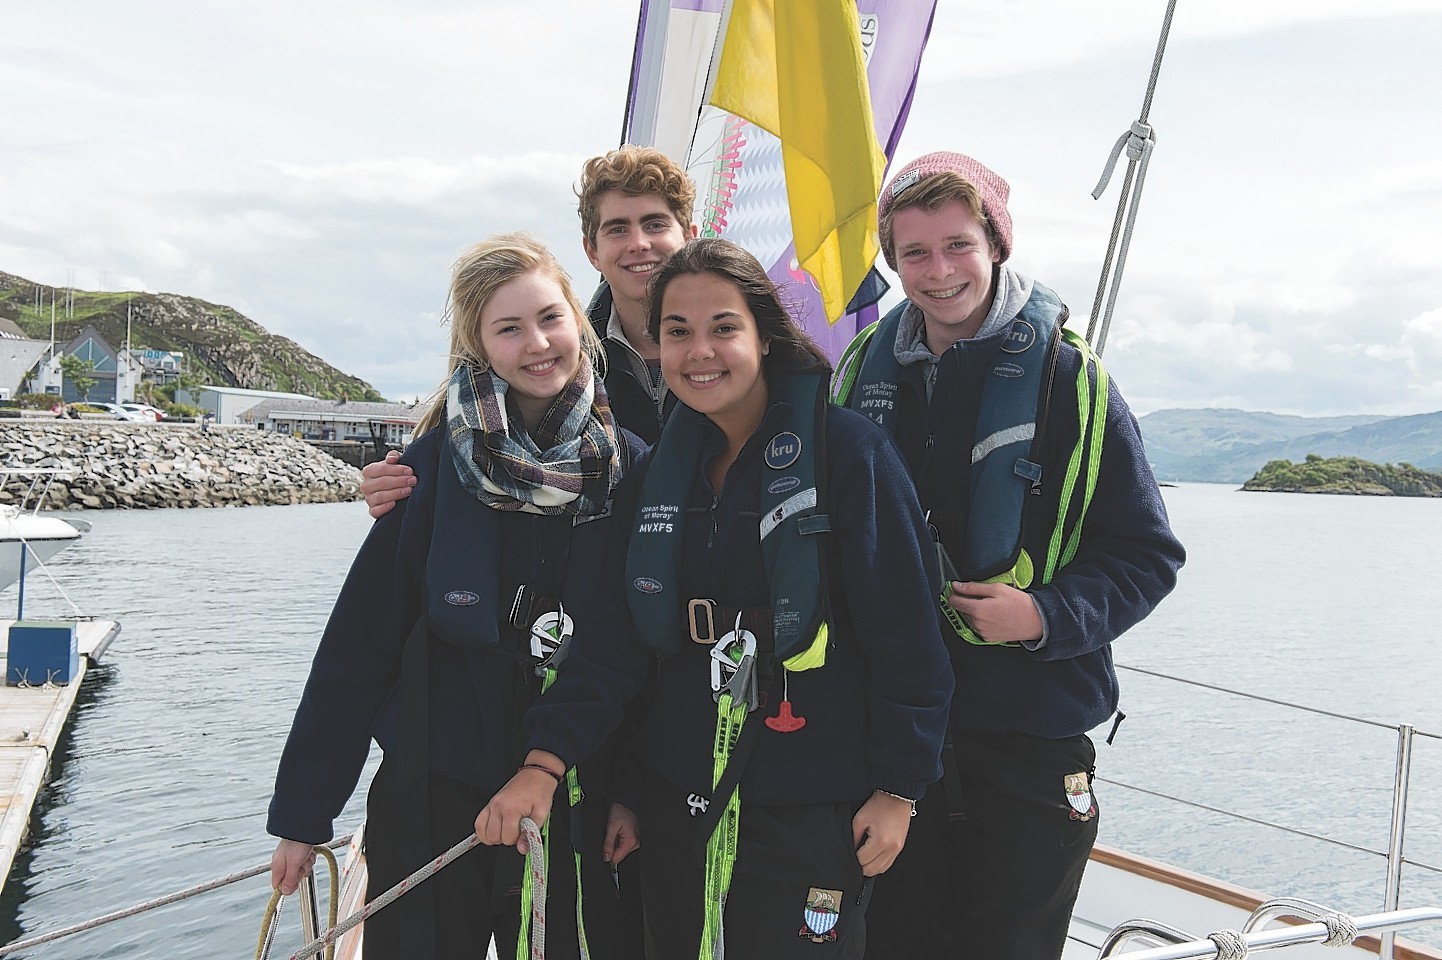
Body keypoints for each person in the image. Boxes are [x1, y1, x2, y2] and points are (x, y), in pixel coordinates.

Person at [474, 238, 954, 958]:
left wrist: (900, 788)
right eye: (677, 332)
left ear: (764, 333)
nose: (700, 351)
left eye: (723, 327)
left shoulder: (847, 457)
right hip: (677, 804)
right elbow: (613, 646)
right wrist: (549, 764)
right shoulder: (653, 479)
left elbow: (909, 637)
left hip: (808, 801)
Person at [832, 152, 1187, 958]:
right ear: (894, 263)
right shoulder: (859, 375)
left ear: (996, 243)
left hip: (1028, 743)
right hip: (891, 743)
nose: (939, 270)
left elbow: (1146, 554)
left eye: (958, 245)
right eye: (914, 253)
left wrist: (1045, 615)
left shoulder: (1071, 382)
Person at [267, 234, 641, 959]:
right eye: (509, 328)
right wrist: (304, 814)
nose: (537, 344)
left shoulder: (632, 470)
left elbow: (630, 648)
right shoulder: (430, 470)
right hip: (433, 794)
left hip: (573, 791)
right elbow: (360, 645)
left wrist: (630, 791)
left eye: (549, 318)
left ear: (579, 321)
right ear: (478, 345)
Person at [360, 145, 700, 517]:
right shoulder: (550, 368)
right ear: (592, 251)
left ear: (690, 235)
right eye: (618, 229)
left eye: (655, 224)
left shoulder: (742, 353)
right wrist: (398, 481)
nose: (639, 243)